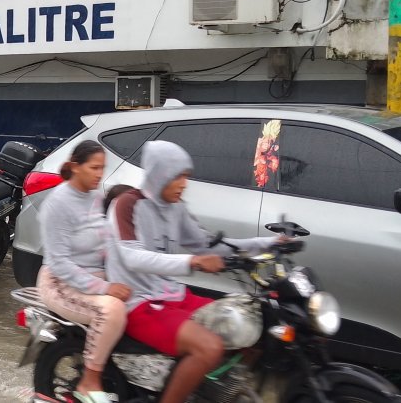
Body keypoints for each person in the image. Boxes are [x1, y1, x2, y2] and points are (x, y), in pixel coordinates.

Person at [108, 141, 279, 403]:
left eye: (186, 176)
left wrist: (269, 244)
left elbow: (207, 244)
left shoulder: (175, 208)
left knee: (247, 326)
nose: (184, 184)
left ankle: (211, 392)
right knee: (208, 347)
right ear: (159, 174)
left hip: (173, 295)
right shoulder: (127, 204)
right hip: (139, 302)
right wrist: (193, 262)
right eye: (178, 176)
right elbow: (133, 257)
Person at [37, 140, 129, 403]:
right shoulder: (57, 203)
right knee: (111, 310)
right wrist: (106, 288)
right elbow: (60, 263)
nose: (100, 174)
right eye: (94, 168)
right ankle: (89, 382)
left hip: (95, 278)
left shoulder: (95, 196)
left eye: (102, 168)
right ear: (75, 167)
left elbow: (106, 242)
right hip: (60, 283)